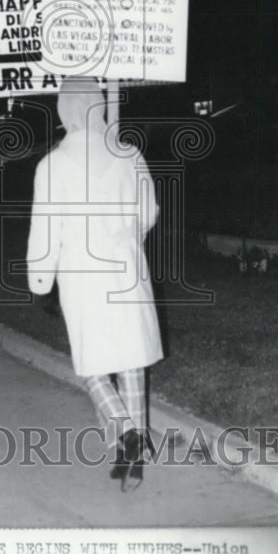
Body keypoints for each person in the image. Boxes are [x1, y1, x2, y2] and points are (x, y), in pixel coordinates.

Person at [26, 78, 162, 492]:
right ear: (99, 106)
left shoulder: (53, 163)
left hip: (82, 272)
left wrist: (39, 278)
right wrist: (127, 237)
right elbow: (150, 209)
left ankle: (126, 433)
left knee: (92, 364)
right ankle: (130, 451)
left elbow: (45, 230)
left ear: (65, 110)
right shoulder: (129, 154)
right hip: (125, 267)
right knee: (130, 361)